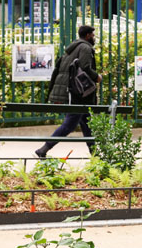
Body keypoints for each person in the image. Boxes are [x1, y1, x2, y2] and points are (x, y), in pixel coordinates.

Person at [35, 25, 101, 158]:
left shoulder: (72, 48)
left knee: (86, 122)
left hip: (71, 91)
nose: (94, 38)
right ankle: (43, 149)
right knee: (71, 123)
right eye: (93, 35)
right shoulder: (85, 48)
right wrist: (97, 77)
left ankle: (95, 154)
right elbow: (85, 67)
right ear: (88, 35)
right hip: (78, 93)